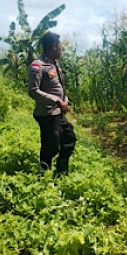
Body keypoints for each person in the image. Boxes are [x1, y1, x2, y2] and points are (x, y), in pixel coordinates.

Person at [28, 31, 77, 173]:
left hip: (58, 112)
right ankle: (44, 174)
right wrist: (56, 101)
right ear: (54, 46)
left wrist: (65, 100)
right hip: (47, 113)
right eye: (60, 46)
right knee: (51, 146)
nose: (62, 49)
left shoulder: (55, 64)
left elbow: (60, 86)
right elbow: (33, 90)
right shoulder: (38, 66)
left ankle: (62, 172)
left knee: (69, 138)